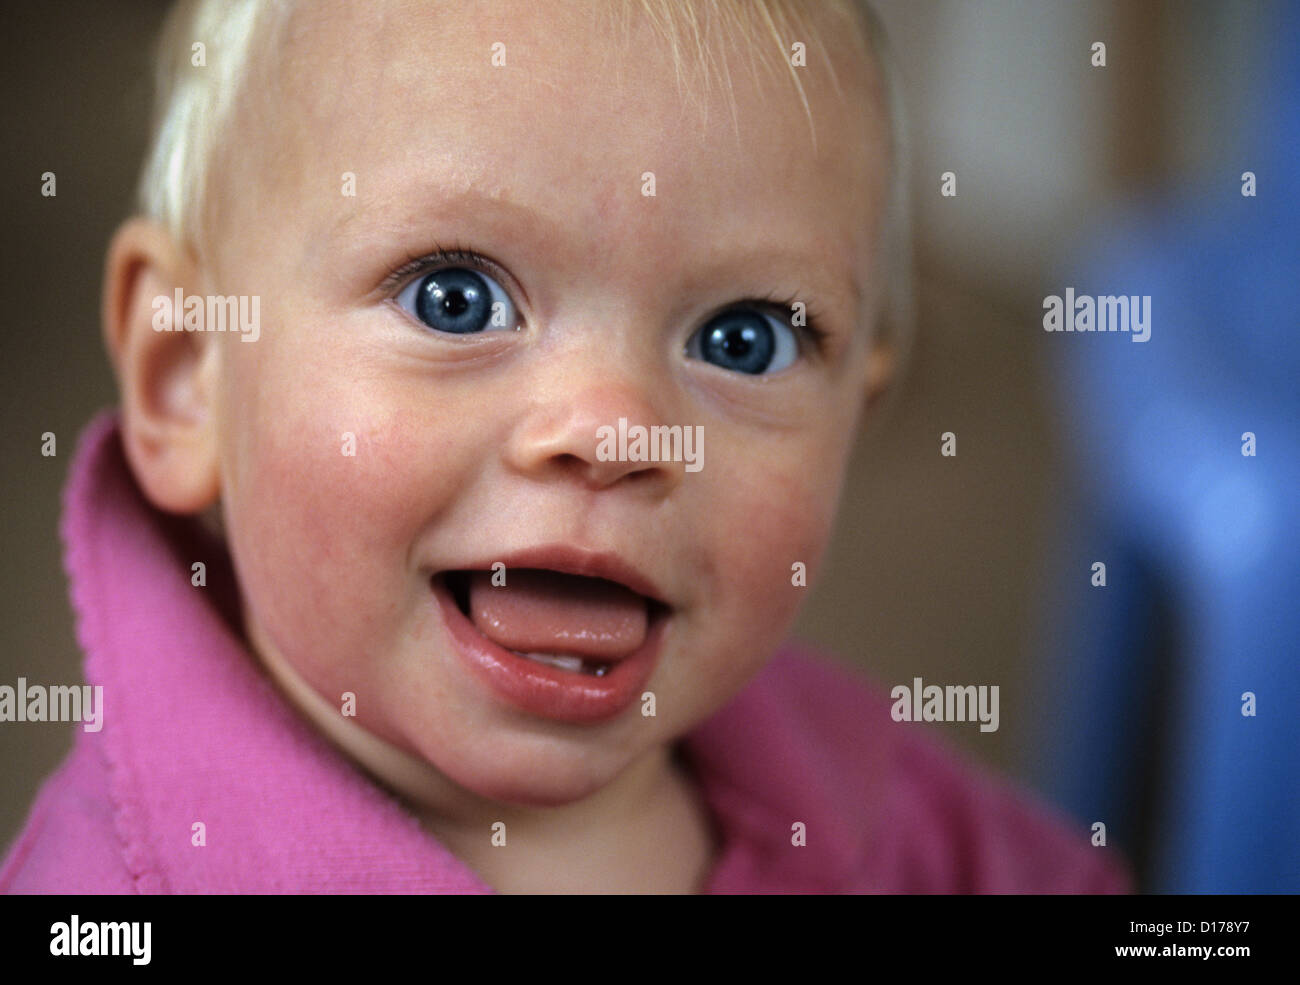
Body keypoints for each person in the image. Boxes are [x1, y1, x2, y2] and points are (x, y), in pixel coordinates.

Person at [1, 0, 1129, 893]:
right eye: (453, 298)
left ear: (853, 418)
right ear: (189, 373)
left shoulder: (850, 779)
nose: (612, 431)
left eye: (744, 339)